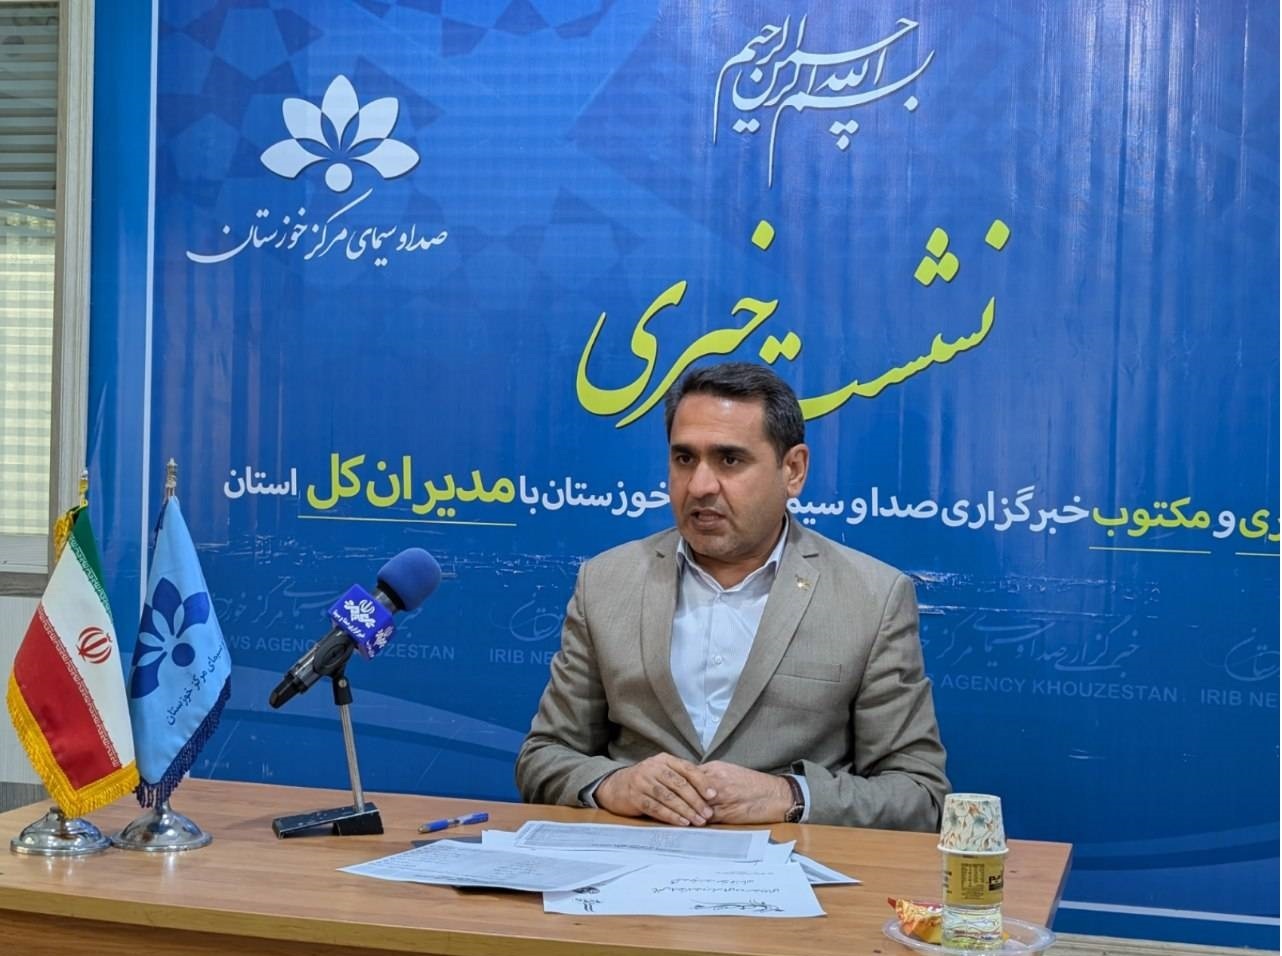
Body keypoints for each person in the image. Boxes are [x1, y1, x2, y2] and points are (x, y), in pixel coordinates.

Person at [515, 362, 948, 831]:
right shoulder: (607, 581)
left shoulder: (872, 597)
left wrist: (789, 796)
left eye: (729, 460)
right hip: (631, 864)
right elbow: (543, 757)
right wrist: (612, 784)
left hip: (795, 867)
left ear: (793, 470)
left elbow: (919, 794)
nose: (700, 485)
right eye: (684, 459)